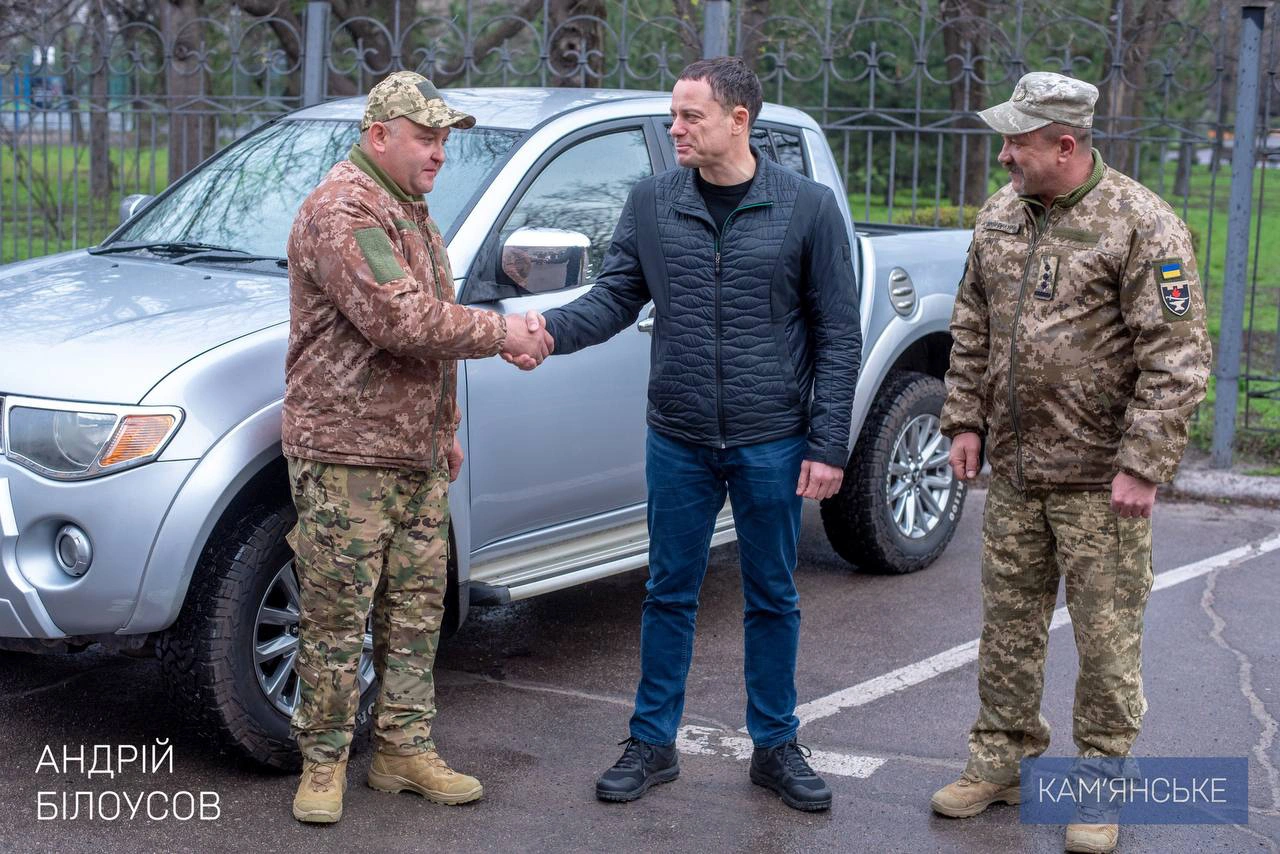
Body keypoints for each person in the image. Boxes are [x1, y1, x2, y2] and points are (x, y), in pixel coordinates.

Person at [534, 56, 861, 812]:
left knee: (773, 595)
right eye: (672, 114)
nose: (673, 128)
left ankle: (776, 745)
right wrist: (546, 330)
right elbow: (614, 297)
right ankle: (652, 744)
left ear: (738, 120)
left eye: (689, 116)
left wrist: (827, 442)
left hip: (772, 437)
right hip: (677, 435)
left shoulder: (807, 207)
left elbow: (837, 336)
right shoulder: (652, 202)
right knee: (667, 591)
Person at [929, 71, 1212, 853]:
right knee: (1009, 630)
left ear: (1065, 143)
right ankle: (1001, 760)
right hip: (1017, 473)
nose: (1005, 155)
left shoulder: (1143, 226)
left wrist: (1143, 465)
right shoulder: (1000, 217)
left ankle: (1097, 789)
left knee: (1106, 642)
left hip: (1100, 484)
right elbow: (972, 325)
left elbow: (1179, 359)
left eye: (1018, 141)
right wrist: (964, 421)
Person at [283, 70, 552, 824]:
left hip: (414, 454)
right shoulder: (345, 209)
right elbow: (402, 323)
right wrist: (504, 333)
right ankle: (325, 763)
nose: (439, 153)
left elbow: (427, 334)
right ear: (380, 136)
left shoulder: (409, 209)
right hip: (347, 455)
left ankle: (402, 750)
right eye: (426, 137)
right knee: (337, 618)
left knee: (415, 611)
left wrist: (447, 431)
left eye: (443, 139)